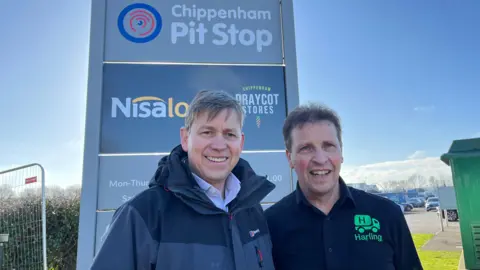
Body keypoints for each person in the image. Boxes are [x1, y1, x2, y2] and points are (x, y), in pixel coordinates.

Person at [91, 90, 276, 270]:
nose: (220, 145)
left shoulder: (252, 210)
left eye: (230, 134)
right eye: (207, 132)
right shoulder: (143, 215)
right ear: (185, 138)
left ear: (241, 143)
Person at [264, 103, 423, 270]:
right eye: (306, 148)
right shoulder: (271, 225)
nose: (320, 159)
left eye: (328, 146)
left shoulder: (387, 214)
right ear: (290, 158)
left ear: (341, 153)